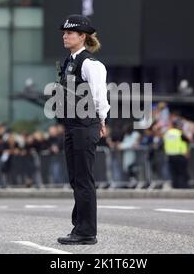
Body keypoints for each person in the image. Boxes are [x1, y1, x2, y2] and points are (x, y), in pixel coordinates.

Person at [56, 14, 110, 245]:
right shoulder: (69, 61)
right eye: (64, 32)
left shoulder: (90, 64)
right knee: (76, 179)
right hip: (72, 125)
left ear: (82, 36)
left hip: (86, 124)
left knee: (84, 179)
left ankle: (87, 231)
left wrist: (102, 120)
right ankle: (79, 226)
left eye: (70, 32)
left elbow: (99, 95)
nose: (65, 36)